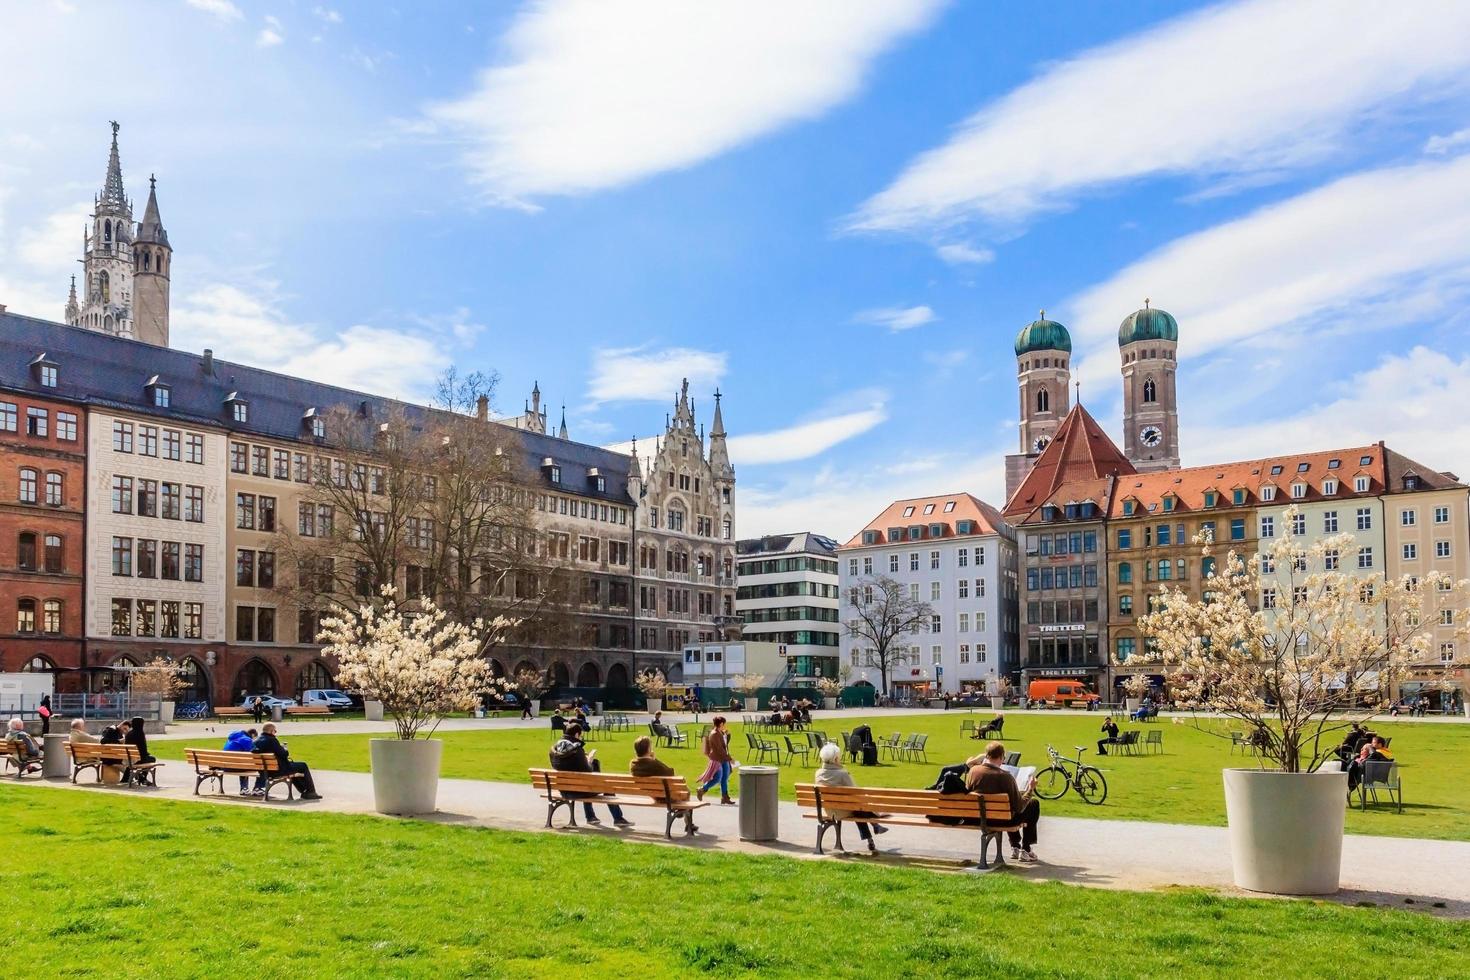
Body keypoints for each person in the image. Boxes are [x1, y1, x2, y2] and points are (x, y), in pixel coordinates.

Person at [966, 741, 1041, 862]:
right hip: (1003, 820)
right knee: (1033, 804)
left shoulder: (973, 772)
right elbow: (1019, 807)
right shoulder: (1006, 777)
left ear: (986, 756)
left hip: (979, 818)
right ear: (1001, 757)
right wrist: (1030, 789)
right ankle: (1025, 849)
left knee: (1007, 808)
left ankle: (1015, 846)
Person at [549, 723, 630, 826]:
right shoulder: (576, 751)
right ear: (577, 735)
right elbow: (588, 771)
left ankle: (591, 817)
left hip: (564, 791)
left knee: (586, 784)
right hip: (579, 791)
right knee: (607, 787)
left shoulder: (555, 749)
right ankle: (617, 818)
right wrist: (589, 759)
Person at [814, 742, 888, 851]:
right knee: (858, 807)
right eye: (838, 757)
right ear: (835, 760)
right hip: (843, 811)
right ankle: (875, 825)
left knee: (856, 805)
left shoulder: (818, 773)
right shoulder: (842, 774)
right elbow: (857, 792)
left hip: (828, 810)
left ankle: (872, 834)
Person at [253, 723, 322, 800]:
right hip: (278, 770)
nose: (275, 732)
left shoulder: (256, 741)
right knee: (303, 765)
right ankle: (310, 792)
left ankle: (304, 791)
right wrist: (285, 749)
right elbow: (284, 754)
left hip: (264, 771)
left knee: (294, 768)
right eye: (275, 731)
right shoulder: (272, 740)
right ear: (271, 731)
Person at [696, 716, 735, 805]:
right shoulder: (714, 734)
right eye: (724, 724)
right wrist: (730, 759)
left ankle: (725, 797)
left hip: (724, 758)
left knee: (724, 778)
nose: (725, 725)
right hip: (717, 759)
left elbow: (724, 744)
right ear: (721, 724)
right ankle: (702, 789)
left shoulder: (719, 732)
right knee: (718, 778)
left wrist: (726, 734)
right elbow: (719, 750)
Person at [224, 728, 260, 795]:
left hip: (225, 766)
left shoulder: (232, 738)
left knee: (243, 764)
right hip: (235, 767)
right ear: (252, 735)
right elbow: (252, 752)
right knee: (260, 767)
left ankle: (244, 788)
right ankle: (257, 788)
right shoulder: (246, 740)